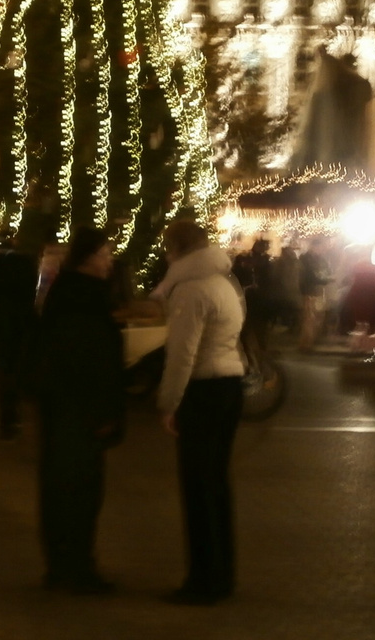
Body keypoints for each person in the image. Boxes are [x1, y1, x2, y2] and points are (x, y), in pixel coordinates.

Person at [155, 219, 245, 606]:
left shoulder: (190, 291)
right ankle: (222, 572)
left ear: (175, 250)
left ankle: (203, 579)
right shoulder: (224, 282)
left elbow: (182, 355)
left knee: (198, 487)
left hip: (204, 388)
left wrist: (169, 403)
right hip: (229, 384)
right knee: (217, 484)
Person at [34, 228, 125, 594]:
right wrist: (105, 412)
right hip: (82, 412)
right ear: (90, 258)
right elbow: (94, 361)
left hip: (60, 409)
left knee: (57, 489)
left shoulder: (64, 294)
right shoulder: (87, 299)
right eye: (105, 254)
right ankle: (78, 567)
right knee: (82, 491)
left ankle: (60, 564)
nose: (110, 261)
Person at [0, 232, 38, 440]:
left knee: (6, 370)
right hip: (24, 323)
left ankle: (9, 419)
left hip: (3, 323)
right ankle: (14, 417)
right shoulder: (27, 267)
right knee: (18, 369)